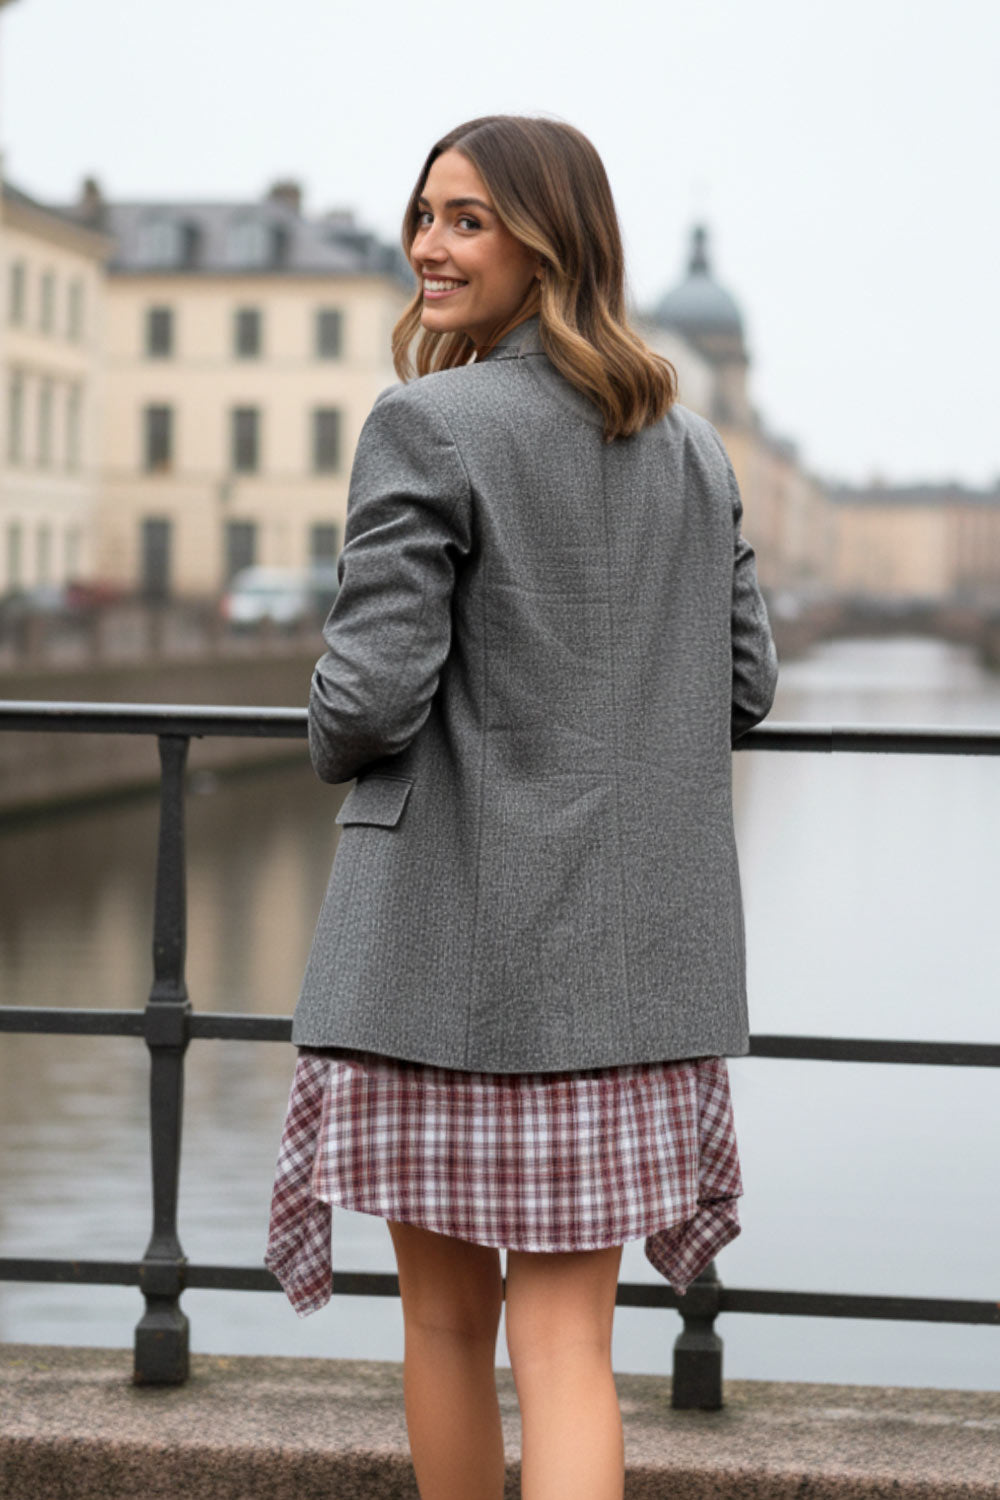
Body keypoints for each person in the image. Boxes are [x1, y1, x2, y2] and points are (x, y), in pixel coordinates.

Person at [266, 114, 778, 1500]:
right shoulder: (693, 448)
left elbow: (363, 708)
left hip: (443, 965)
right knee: (569, 1348)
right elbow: (746, 684)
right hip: (627, 970)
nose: (428, 247)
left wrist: (331, 701)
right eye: (424, 216)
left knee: (446, 1325)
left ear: (550, 243)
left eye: (467, 220)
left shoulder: (426, 423)